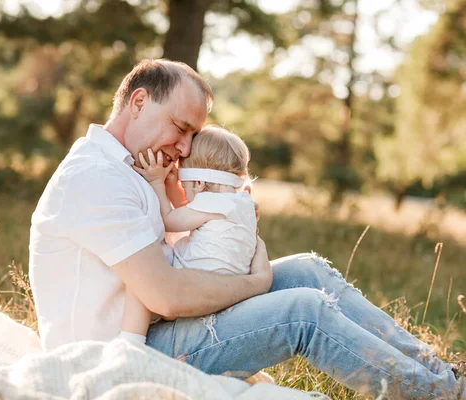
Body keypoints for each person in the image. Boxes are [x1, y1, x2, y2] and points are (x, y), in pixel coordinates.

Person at [28, 58, 465, 399]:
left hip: (156, 328)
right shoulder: (94, 177)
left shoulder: (134, 169)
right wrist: (256, 282)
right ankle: (443, 396)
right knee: (303, 310)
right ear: (138, 102)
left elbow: (181, 251)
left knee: (308, 271)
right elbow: (168, 296)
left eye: (192, 136)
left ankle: (442, 373)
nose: (184, 148)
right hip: (120, 356)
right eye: (181, 129)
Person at [119, 126, 259, 345]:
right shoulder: (241, 203)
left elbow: (170, 219)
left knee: (143, 279)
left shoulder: (211, 203)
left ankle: (130, 342)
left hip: (194, 283)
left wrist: (157, 182)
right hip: (225, 289)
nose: (182, 190)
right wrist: (172, 184)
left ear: (200, 183)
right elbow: (189, 208)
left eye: (185, 186)